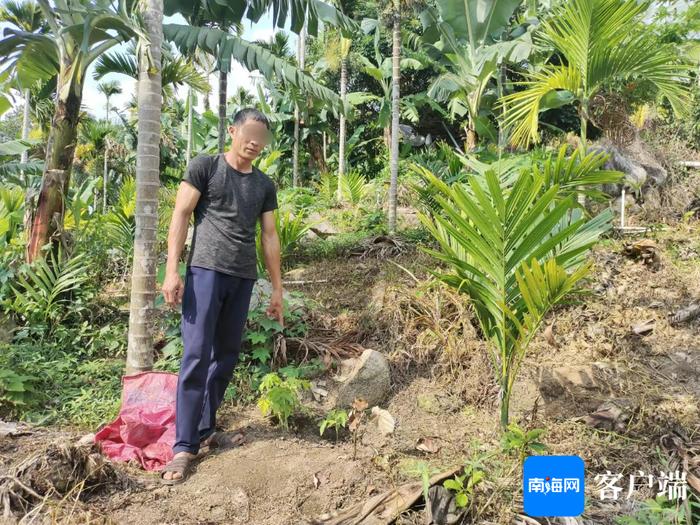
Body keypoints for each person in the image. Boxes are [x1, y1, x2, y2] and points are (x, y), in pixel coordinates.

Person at [160, 108, 283, 484]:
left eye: (261, 138)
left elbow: (270, 236)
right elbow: (181, 215)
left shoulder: (264, 184)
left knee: (226, 357)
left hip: (242, 277)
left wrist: (277, 288)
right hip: (205, 273)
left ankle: (205, 429)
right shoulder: (205, 167)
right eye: (249, 133)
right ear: (232, 130)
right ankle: (183, 448)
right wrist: (171, 270)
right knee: (196, 356)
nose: (255, 143)